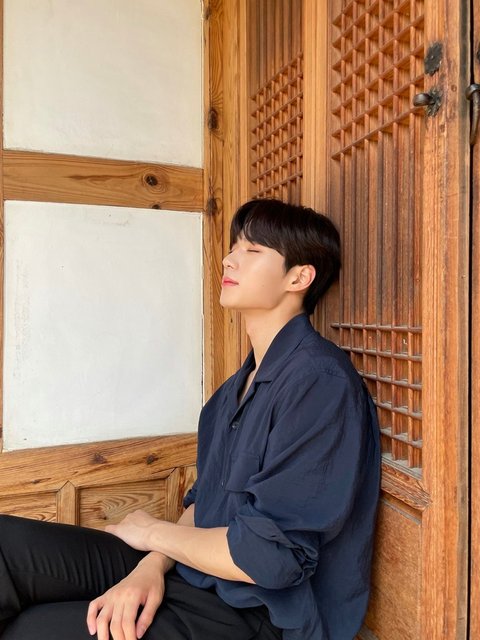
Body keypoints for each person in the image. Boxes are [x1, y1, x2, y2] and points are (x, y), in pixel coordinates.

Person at [0, 199, 380, 640]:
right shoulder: (229, 394)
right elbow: (204, 505)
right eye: (234, 247)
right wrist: (150, 565)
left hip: (257, 611)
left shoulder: (319, 382)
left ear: (299, 277)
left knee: (32, 630)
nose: (229, 259)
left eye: (252, 250)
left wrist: (153, 533)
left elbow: (271, 559)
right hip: (191, 569)